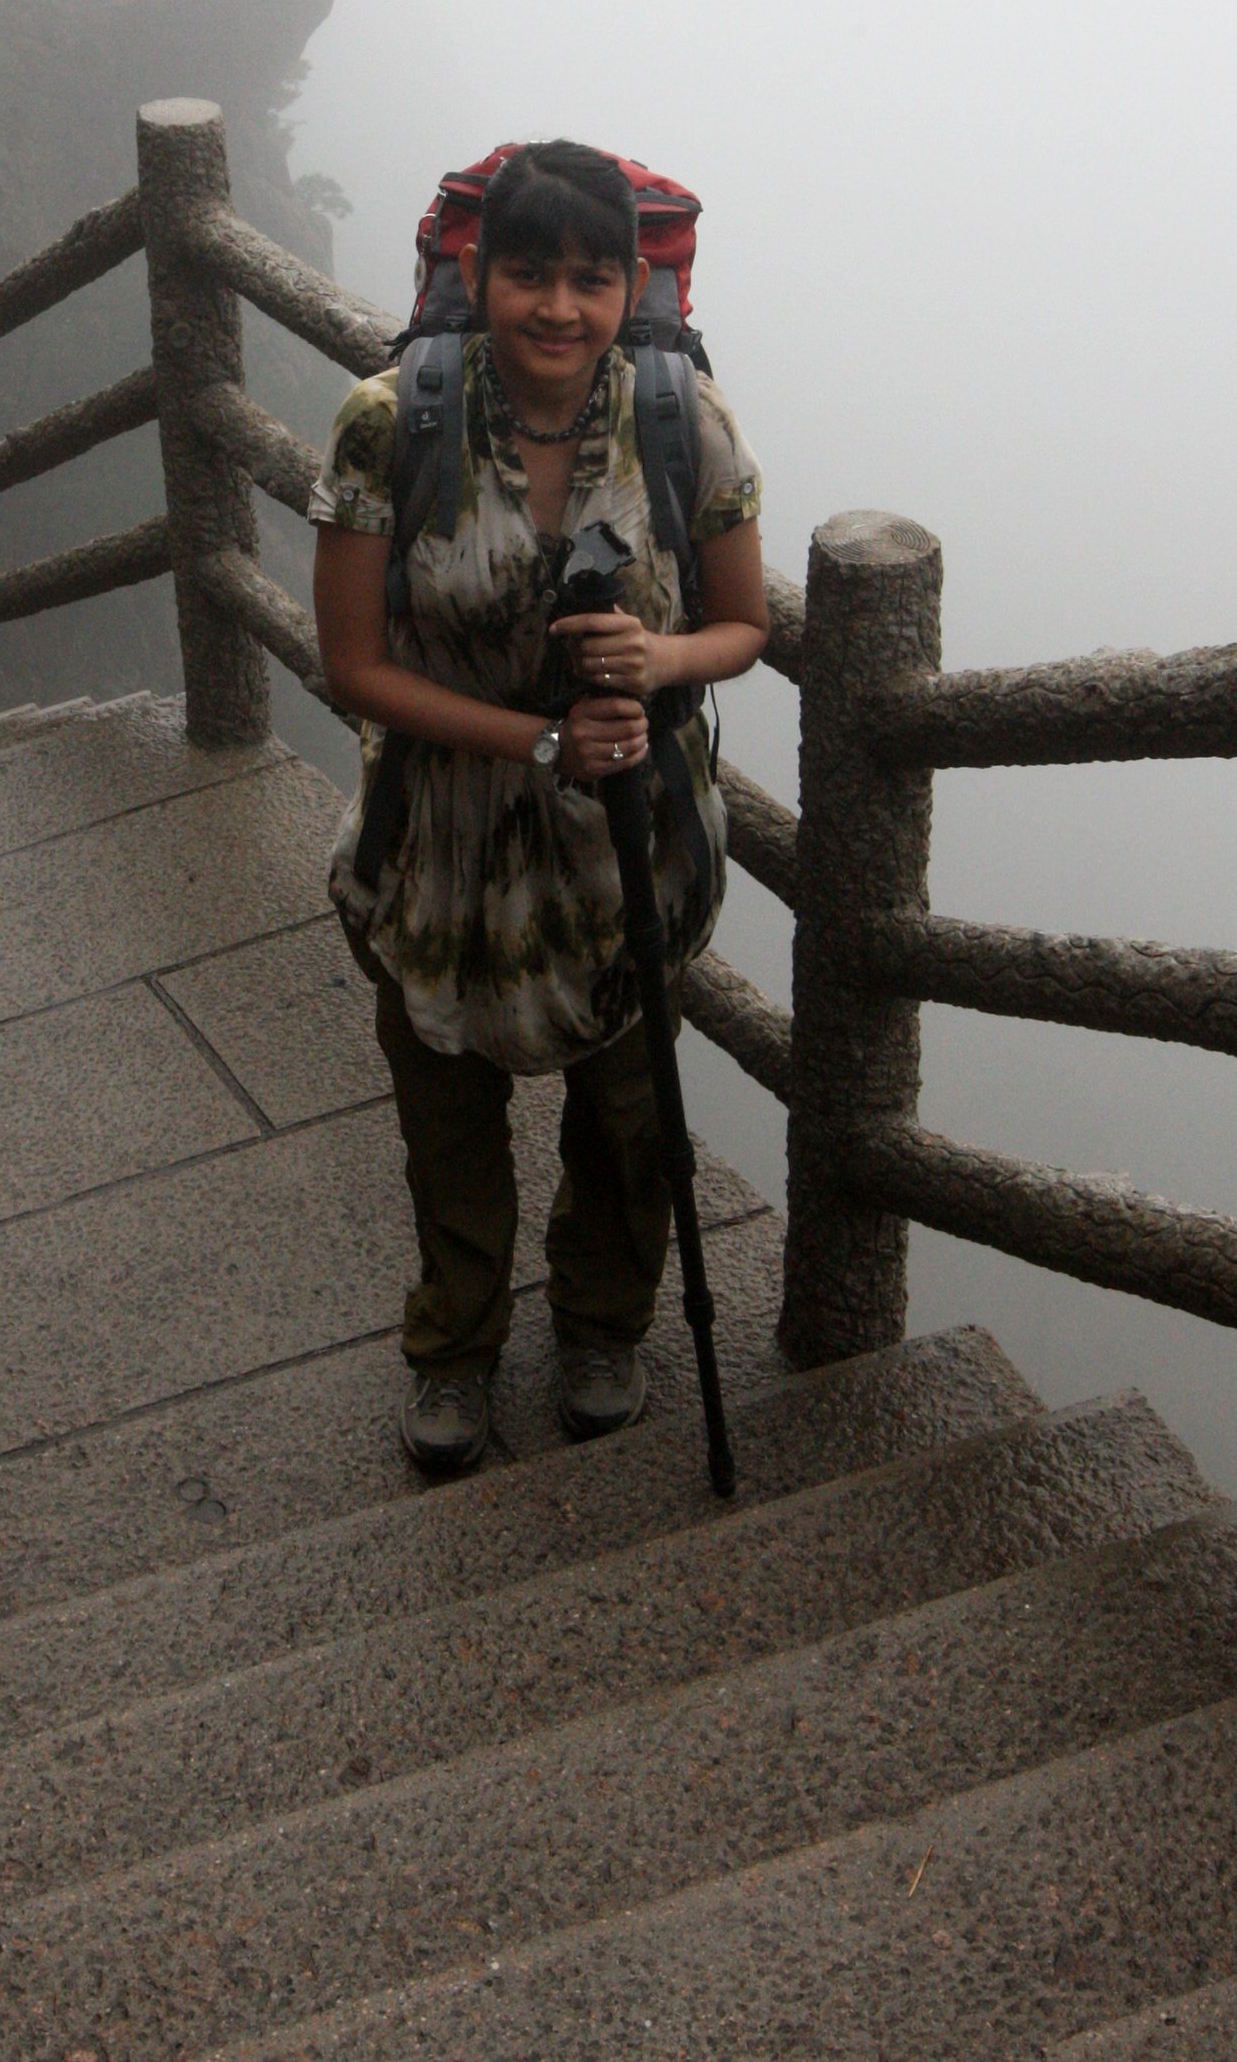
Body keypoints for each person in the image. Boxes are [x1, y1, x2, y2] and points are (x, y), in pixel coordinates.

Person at [310, 142, 770, 1477]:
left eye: (589, 278)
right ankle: (453, 1349)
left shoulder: (686, 420)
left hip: (631, 844)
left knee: (631, 1116)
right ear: (475, 270)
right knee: (446, 1119)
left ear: (632, 287)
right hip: (439, 841)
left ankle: (603, 1327)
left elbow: (740, 623)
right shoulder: (388, 424)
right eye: (528, 274)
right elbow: (355, 669)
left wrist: (660, 662)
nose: (557, 308)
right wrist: (539, 741)